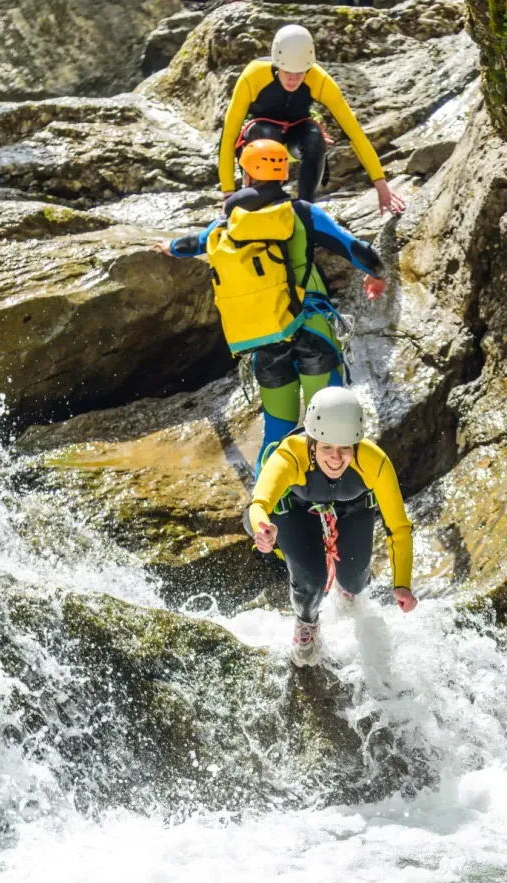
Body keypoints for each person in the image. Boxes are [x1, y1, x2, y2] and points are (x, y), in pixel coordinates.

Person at [155, 139, 388, 466]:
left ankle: (268, 492)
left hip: (266, 338)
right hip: (312, 329)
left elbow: (192, 244)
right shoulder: (301, 213)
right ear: (284, 173)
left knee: (277, 431)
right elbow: (355, 249)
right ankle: (330, 492)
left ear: (246, 174)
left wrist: (169, 246)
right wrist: (377, 274)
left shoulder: (227, 224)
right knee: (329, 424)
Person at [246, 386, 418, 667]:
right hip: (295, 510)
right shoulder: (291, 455)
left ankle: (347, 587)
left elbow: (398, 527)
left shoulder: (374, 462)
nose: (336, 458)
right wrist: (263, 529)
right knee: (311, 581)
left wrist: (402, 584)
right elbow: (258, 504)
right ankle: (307, 623)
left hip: (352, 507)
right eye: (326, 447)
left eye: (345, 448)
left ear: (356, 445)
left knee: (354, 581)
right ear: (311, 442)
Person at [218, 24, 405, 214]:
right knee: (265, 134)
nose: (293, 79)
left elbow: (355, 134)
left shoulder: (319, 79)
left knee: (314, 136)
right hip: (259, 139)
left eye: (300, 73)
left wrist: (381, 184)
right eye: (287, 72)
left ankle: (305, 209)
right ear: (277, 65)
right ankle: (258, 200)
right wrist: (228, 194)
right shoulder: (253, 76)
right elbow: (228, 136)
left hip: (296, 135)